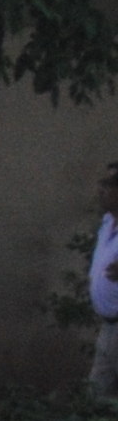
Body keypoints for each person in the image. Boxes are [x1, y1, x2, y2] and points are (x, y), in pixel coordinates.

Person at [90, 163, 118, 400]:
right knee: (97, 398)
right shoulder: (108, 222)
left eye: (108, 185)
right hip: (108, 326)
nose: (102, 190)